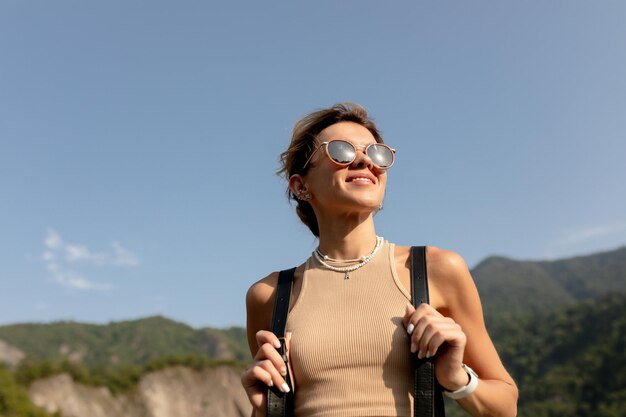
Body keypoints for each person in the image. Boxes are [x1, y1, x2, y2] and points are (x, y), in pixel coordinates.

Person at [241, 103, 518, 417]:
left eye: (376, 153)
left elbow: (505, 406)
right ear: (300, 185)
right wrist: (266, 412)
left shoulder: (435, 270)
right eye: (341, 151)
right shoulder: (270, 295)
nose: (364, 160)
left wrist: (457, 378)